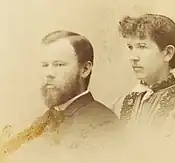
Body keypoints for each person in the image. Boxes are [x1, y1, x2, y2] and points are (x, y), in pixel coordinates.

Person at [0, 30, 122, 160]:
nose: (49, 73)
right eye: (44, 65)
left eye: (58, 64)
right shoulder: (42, 121)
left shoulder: (104, 124)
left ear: (85, 70)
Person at [113, 13, 175, 132]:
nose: (133, 57)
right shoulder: (120, 105)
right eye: (130, 47)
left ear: (167, 53)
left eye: (142, 47)